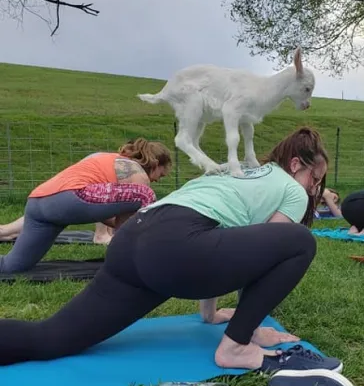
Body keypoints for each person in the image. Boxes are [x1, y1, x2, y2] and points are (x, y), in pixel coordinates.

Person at [0, 126, 340, 373]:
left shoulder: (238, 173)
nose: (314, 190)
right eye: (315, 180)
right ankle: (235, 348)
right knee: (299, 241)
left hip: (134, 239)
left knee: (50, 338)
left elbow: (226, 237)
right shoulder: (291, 191)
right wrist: (246, 331)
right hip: (175, 249)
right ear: (296, 165)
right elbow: (264, 254)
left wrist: (210, 315)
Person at [0, 138, 172, 274]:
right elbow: (135, 222)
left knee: (12, 266)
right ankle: (124, 260)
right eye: (161, 175)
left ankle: (123, 255)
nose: (157, 179)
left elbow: (103, 211)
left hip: (38, 203)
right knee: (145, 194)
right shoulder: (137, 174)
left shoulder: (106, 159)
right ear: (156, 164)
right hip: (68, 198)